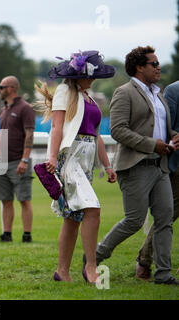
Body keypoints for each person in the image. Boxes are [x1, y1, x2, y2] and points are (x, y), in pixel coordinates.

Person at [95, 46, 179, 286]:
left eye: (158, 63)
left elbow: (162, 127)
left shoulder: (158, 93)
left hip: (160, 166)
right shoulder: (124, 92)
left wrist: (173, 136)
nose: (158, 67)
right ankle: (95, 257)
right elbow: (118, 130)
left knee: (164, 220)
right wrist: (153, 145)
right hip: (135, 166)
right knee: (133, 220)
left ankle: (163, 274)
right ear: (139, 67)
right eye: (154, 64)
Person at [35, 50, 117, 283]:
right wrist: (52, 157)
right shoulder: (65, 91)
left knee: (73, 217)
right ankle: (91, 267)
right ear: (79, 74)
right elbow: (57, 127)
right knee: (93, 209)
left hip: (87, 158)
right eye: (92, 74)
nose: (94, 79)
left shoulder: (88, 97)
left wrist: (108, 165)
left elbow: (97, 136)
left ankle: (62, 272)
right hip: (70, 157)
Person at [134, 80, 179, 280]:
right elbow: (167, 128)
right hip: (176, 165)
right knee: (166, 216)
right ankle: (145, 259)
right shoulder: (174, 91)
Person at [0, 76, 35, 243]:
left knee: (24, 199)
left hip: (18, 160)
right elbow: (0, 133)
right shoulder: (4, 109)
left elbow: (29, 135)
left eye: (1, 87)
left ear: (11, 88)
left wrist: (24, 160)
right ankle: (7, 234)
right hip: (1, 161)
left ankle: (27, 235)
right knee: (5, 200)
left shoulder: (25, 108)